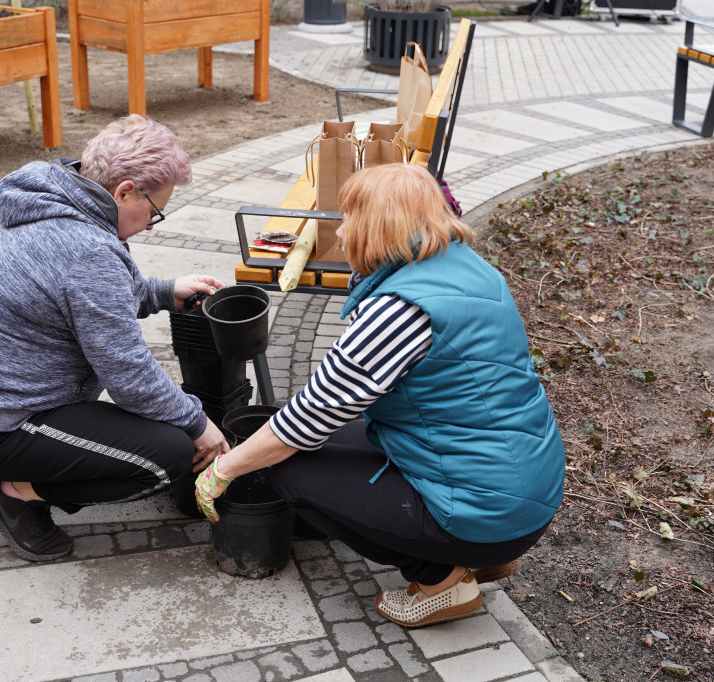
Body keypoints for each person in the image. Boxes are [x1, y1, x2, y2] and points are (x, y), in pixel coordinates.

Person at [195, 163, 564, 628]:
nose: (342, 230)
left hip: (486, 510)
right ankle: (483, 555)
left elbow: (306, 419)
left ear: (376, 228)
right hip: (522, 488)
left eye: (349, 218)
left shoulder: (399, 312)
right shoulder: (467, 266)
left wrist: (222, 470)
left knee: (286, 468)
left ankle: (441, 579)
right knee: (341, 436)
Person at [0, 114, 230, 562]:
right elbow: (128, 375)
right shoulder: (87, 250)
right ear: (125, 190)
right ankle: (15, 493)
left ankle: (23, 476)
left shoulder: (50, 197)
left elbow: (82, 297)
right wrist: (200, 426)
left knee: (168, 429)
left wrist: (166, 291)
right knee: (169, 454)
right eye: (155, 210)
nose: (152, 223)